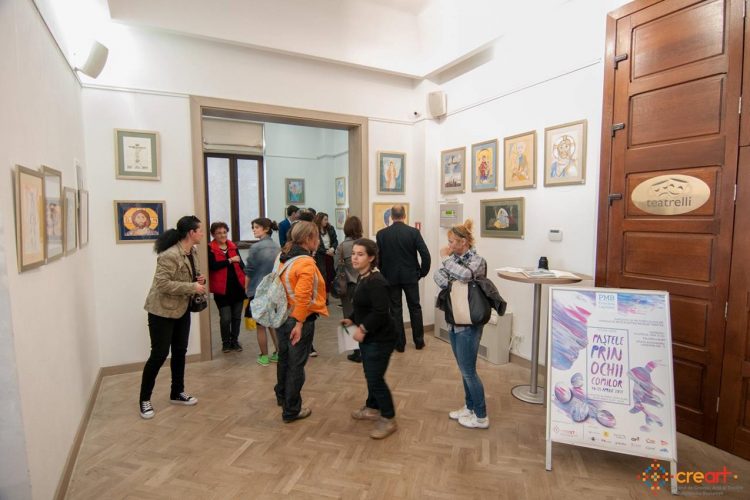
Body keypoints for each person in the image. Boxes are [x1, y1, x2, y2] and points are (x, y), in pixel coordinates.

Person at [139, 215, 206, 419]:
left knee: (179, 351)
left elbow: (190, 276)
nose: (202, 234)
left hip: (181, 309)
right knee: (159, 355)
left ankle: (177, 392)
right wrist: (192, 287)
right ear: (191, 233)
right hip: (161, 311)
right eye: (200, 230)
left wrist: (199, 279)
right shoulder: (169, 255)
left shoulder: (192, 251)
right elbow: (162, 284)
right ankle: (144, 399)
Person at [433, 219, 489, 429]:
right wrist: (452, 278)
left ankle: (481, 416)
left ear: (463, 242)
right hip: (454, 321)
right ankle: (470, 407)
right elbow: (438, 276)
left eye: (451, 241)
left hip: (469, 324)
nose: (448, 245)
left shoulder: (477, 260)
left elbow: (465, 276)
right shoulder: (454, 260)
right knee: (463, 369)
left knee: (468, 371)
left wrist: (447, 262)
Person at [341, 238, 398, 439]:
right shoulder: (363, 276)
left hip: (381, 338)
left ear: (371, 257)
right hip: (371, 336)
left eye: (360, 254)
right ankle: (372, 408)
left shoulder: (377, 282)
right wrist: (352, 319)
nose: (354, 258)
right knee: (371, 374)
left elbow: (380, 312)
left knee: (375, 378)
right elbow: (362, 306)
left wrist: (363, 328)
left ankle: (389, 418)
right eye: (353, 254)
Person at [274, 221, 328, 422]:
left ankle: (282, 396)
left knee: (284, 359)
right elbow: (303, 297)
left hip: (282, 315)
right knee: (296, 365)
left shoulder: (283, 256)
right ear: (307, 239)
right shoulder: (305, 262)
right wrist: (299, 323)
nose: (319, 241)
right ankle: (291, 410)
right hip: (298, 319)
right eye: (317, 237)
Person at [375, 205, 431, 352]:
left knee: (395, 310)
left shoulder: (381, 234)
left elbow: (377, 258)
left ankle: (400, 344)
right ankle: (419, 342)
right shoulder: (413, 233)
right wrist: (422, 273)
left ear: (392, 216)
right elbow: (425, 255)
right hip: (411, 276)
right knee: (415, 308)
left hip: (390, 277)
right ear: (404, 215)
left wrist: (383, 271)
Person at [245, 217, 281, 366]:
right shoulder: (277, 247)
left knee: (261, 326)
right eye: (253, 227)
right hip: (273, 289)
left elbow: (249, 271)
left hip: (257, 290)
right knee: (273, 323)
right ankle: (278, 353)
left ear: (266, 229)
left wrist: (246, 290)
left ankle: (264, 356)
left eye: (257, 227)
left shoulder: (255, 248)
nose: (254, 230)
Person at [208, 222, 246, 353]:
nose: (222, 235)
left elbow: (241, 265)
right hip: (222, 290)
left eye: (224, 232)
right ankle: (226, 343)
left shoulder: (233, 247)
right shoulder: (210, 248)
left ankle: (235, 341)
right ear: (213, 234)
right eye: (219, 233)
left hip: (238, 288)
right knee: (225, 318)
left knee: (236, 317)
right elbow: (213, 266)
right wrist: (230, 260)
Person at [335, 216, 363, 362]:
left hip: (348, 286)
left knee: (350, 317)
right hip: (364, 285)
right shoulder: (365, 244)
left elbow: (336, 267)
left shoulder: (342, 247)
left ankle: (357, 351)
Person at [314, 212, 338, 302]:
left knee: (329, 277)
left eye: (327, 219)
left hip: (330, 255)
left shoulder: (330, 229)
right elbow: (316, 244)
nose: (327, 221)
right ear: (319, 220)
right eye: (325, 219)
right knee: (321, 277)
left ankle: (326, 297)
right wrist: (326, 252)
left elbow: (335, 241)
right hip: (320, 257)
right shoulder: (315, 230)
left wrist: (333, 248)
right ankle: (321, 297)